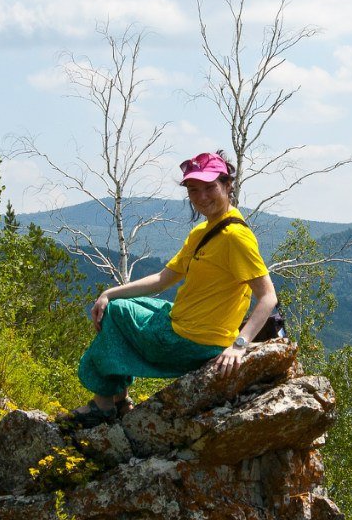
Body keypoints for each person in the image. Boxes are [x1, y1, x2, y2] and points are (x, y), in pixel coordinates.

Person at [68, 150, 279, 426]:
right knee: (119, 305)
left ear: (228, 186)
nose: (202, 197)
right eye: (193, 190)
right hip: (182, 324)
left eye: (210, 187)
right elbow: (163, 279)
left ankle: (104, 404)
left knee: (116, 313)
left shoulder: (235, 236)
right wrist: (108, 293)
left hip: (192, 341)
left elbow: (268, 296)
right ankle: (119, 401)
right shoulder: (203, 232)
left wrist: (239, 346)